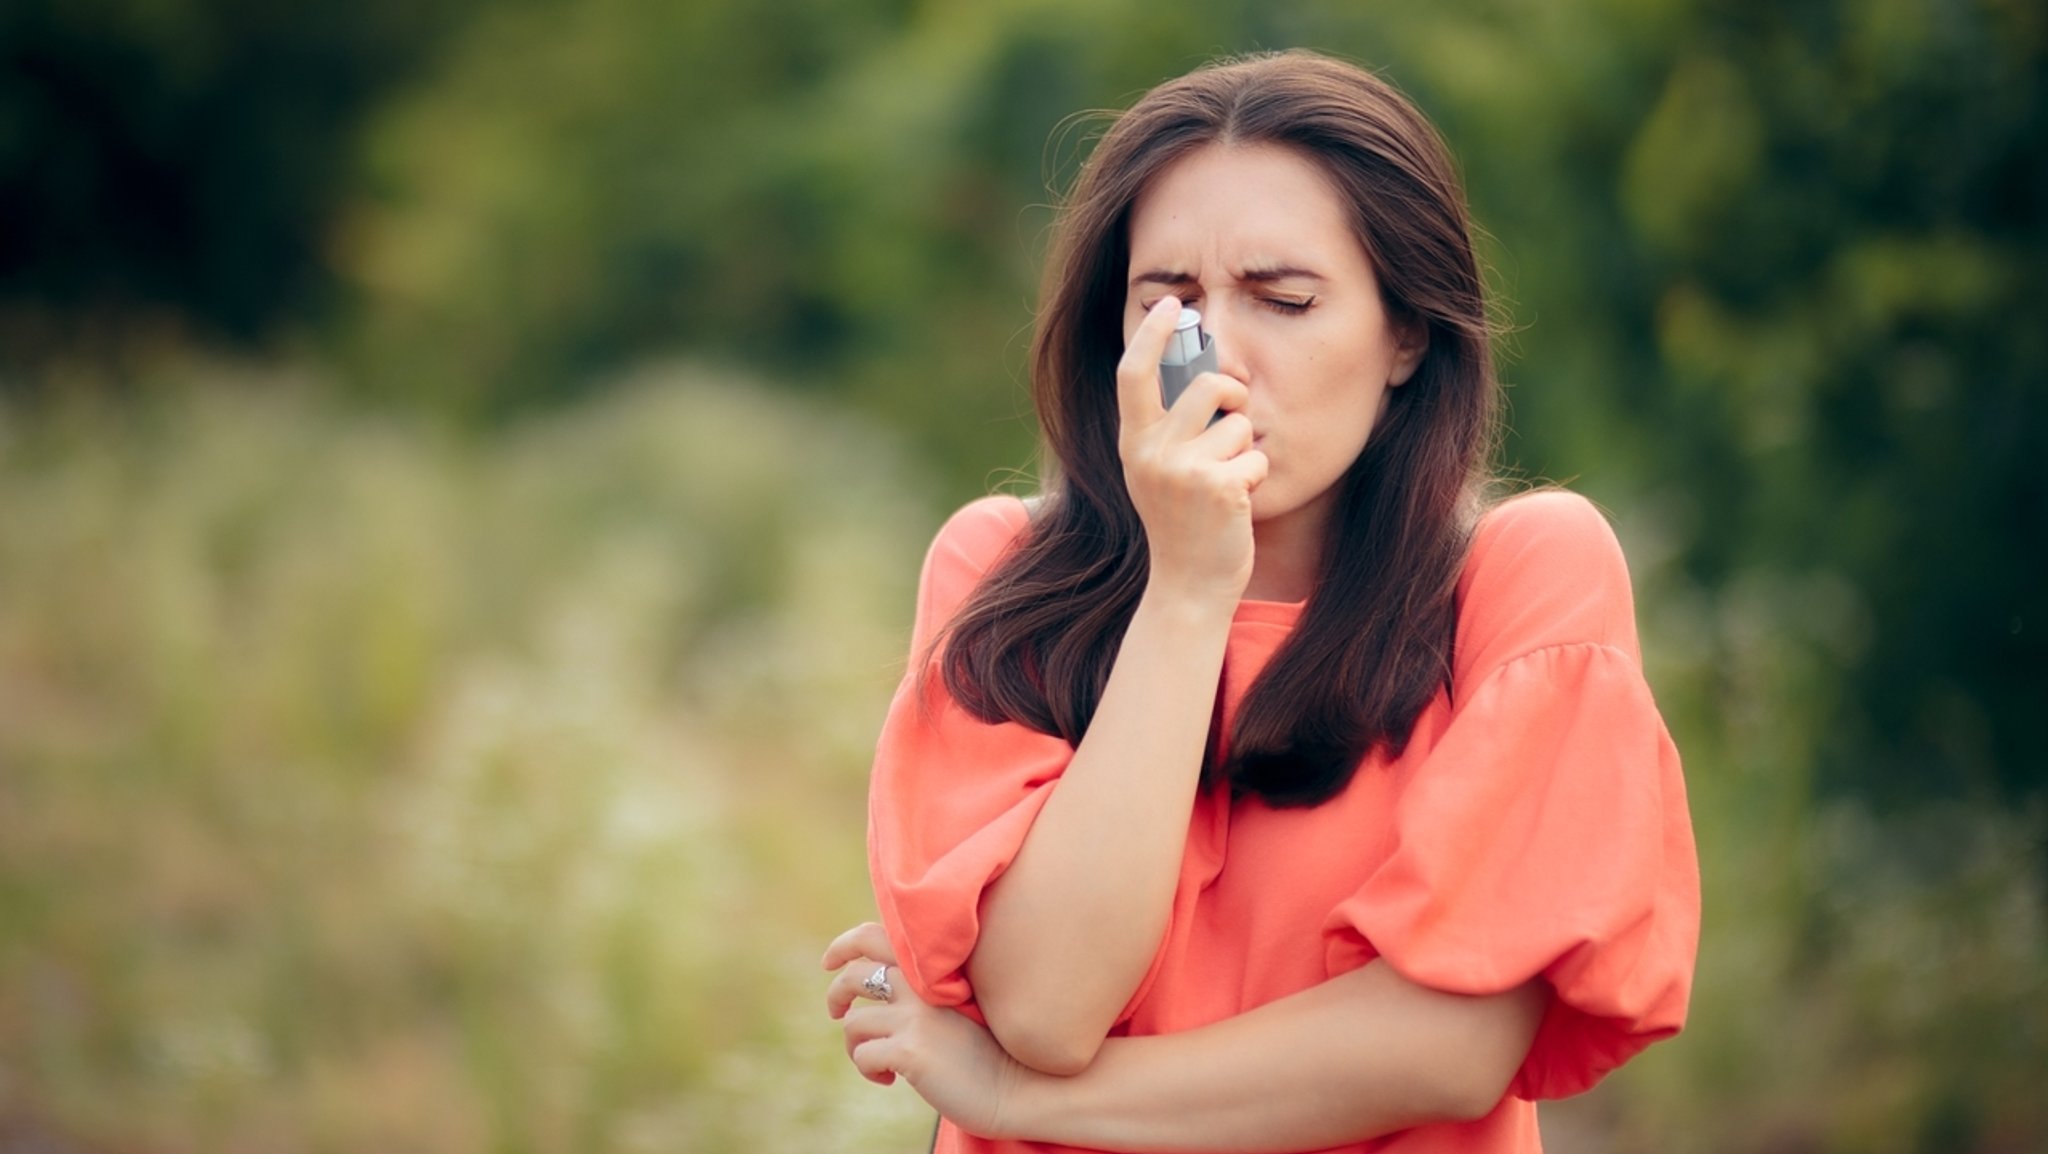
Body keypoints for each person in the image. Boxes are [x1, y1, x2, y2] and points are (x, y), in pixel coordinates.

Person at [822, 49, 1698, 1153]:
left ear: (1404, 336)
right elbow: (1044, 1005)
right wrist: (1187, 590)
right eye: (1167, 305)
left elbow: (1444, 1043)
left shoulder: (1521, 580)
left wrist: (1017, 1099)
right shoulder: (1001, 573)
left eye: (1282, 299)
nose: (1216, 359)